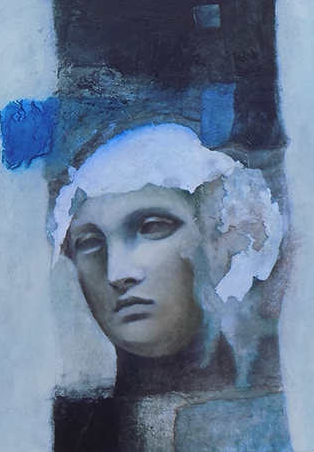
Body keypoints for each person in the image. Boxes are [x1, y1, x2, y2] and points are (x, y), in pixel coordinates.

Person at [50, 123, 290, 451]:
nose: (117, 273)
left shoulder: (284, 413)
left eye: (152, 228)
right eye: (89, 242)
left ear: (218, 239)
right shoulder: (73, 429)